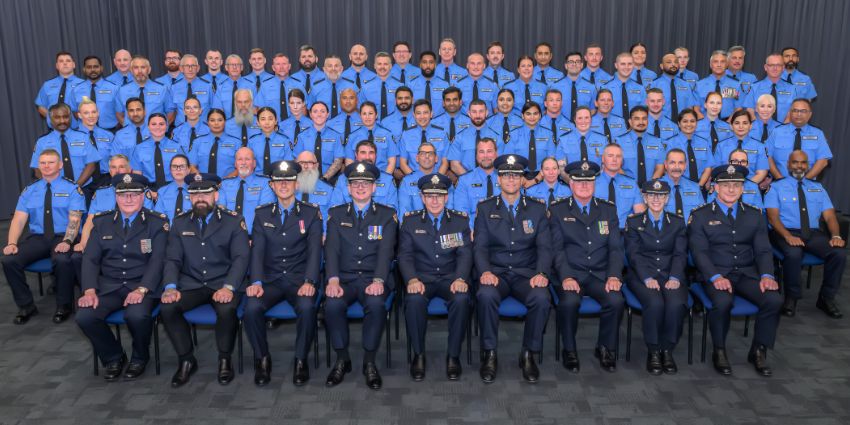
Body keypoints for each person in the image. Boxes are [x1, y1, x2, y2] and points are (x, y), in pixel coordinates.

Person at [688, 164, 781, 377]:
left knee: (773, 300)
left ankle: (759, 350)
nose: (731, 189)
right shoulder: (700, 216)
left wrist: (767, 275)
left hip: (747, 273)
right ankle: (719, 350)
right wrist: (715, 276)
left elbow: (763, 250)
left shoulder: (754, 215)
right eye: (726, 185)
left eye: (736, 185)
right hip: (716, 273)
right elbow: (699, 253)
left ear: (742, 189)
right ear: (715, 188)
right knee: (722, 302)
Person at [160, 173, 250, 387]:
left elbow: (241, 258)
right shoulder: (180, 222)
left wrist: (229, 287)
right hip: (191, 284)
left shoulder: (234, 220)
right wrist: (170, 287)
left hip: (223, 282)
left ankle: (225, 358)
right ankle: (186, 359)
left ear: (216, 195)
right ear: (189, 197)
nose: (200, 198)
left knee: (227, 309)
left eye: (205, 193)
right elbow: (172, 258)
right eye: (195, 193)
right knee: (168, 308)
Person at [76, 173, 168, 381]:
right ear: (116, 196)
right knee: (85, 316)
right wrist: (89, 290)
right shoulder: (102, 223)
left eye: (134, 194)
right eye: (124, 194)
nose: (129, 199)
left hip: (142, 284)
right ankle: (113, 357)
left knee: (136, 316)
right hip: (110, 286)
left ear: (143, 196)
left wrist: (142, 289)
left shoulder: (157, 223)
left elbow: (159, 260)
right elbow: (90, 259)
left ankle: (139, 357)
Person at [474, 154, 551, 383]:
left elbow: (545, 247)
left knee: (541, 297)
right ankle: (489, 353)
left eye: (515, 175)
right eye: (506, 175)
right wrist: (485, 272)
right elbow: (479, 247)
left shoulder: (537, 209)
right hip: (495, 273)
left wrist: (541, 273)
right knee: (485, 295)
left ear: (521, 180)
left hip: (525, 274)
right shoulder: (486, 208)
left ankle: (528, 353)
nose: (510, 179)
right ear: (499, 179)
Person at [245, 160, 323, 386]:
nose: (283, 185)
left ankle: (301, 360)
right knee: (251, 308)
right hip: (270, 280)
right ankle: (262, 359)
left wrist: (310, 281)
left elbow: (315, 251)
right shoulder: (261, 215)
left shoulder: (311, 213)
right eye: (278, 181)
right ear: (271, 185)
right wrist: (256, 281)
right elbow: (257, 252)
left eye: (288, 181)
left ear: (296, 184)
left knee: (308, 307)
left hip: (299, 279)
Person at [324, 161, 398, 390]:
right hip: (344, 279)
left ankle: (369, 361)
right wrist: (333, 279)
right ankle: (342, 358)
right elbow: (332, 250)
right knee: (332, 304)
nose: (360, 187)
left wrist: (378, 281)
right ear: (348, 188)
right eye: (355, 183)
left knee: (376, 304)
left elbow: (386, 253)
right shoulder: (335, 215)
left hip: (373, 278)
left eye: (365, 183)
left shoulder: (387, 215)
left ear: (374, 187)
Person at [549, 160, 624, 373]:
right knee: (569, 301)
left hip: (600, 274)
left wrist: (614, 276)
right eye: (579, 181)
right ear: (570, 183)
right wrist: (566, 277)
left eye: (588, 181)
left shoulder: (608, 210)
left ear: (594, 183)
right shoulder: (557, 209)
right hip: (571, 273)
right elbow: (557, 249)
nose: (584, 185)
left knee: (616, 300)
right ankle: (569, 349)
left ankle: (605, 347)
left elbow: (616, 248)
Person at [399, 173, 472, 381]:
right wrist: (412, 279)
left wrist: (460, 278)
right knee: (413, 301)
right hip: (422, 278)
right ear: (422, 198)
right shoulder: (411, 222)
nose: (434, 200)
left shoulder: (459, 221)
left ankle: (453, 355)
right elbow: (405, 255)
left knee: (461, 299)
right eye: (429, 195)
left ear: (446, 197)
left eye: (439, 196)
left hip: (451, 277)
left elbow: (465, 253)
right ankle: (419, 354)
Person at [2, 149, 85, 324]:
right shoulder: (29, 191)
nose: (46, 166)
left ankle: (64, 305)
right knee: (9, 260)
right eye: (43, 163)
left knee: (62, 260)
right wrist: (11, 243)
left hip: (63, 236)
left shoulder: (72, 189)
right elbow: (18, 220)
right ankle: (26, 305)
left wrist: (68, 241)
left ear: (60, 165)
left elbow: (75, 219)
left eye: (51, 162)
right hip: (39, 238)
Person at [765, 150, 844, 319]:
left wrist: (836, 236)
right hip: (784, 231)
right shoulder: (776, 187)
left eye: (802, 163)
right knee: (793, 253)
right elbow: (772, 217)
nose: (799, 166)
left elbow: (830, 216)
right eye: (795, 162)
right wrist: (787, 236)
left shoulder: (818, 188)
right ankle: (791, 298)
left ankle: (826, 298)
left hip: (813, 234)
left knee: (838, 254)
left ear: (807, 166)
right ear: (788, 164)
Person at [624, 179, 689, 375]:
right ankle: (653, 350)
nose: (656, 199)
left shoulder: (677, 222)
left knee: (676, 304)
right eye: (651, 195)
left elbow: (680, 253)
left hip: (671, 274)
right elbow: (633, 255)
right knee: (655, 304)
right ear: (644, 197)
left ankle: (667, 349)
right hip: (642, 276)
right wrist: (647, 278)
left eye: (661, 195)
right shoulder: (634, 222)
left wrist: (676, 277)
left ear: (667, 198)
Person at [30, 103, 100, 188]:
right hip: (54, 191)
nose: (62, 121)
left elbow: (91, 165)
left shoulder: (83, 137)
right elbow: (37, 170)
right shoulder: (42, 142)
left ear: (70, 118)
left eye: (65, 117)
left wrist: (76, 187)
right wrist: (53, 187)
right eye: (57, 118)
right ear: (50, 119)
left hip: (83, 188)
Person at [767, 98, 832, 180]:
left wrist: (805, 182)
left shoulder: (818, 134)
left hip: (808, 185)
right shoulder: (776, 132)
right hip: (780, 184)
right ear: (790, 113)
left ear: (810, 114)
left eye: (803, 111)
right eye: (795, 110)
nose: (799, 114)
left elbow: (823, 161)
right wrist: (780, 180)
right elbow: (767, 157)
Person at [217, 147, 274, 233]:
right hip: (229, 238)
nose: (243, 163)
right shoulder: (225, 185)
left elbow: (265, 215)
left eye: (247, 159)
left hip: (255, 237)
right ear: (235, 164)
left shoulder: (265, 183)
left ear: (254, 163)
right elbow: (220, 213)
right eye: (240, 159)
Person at [331, 140, 398, 209]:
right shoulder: (343, 179)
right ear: (356, 155)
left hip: (379, 219)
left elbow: (392, 210)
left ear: (376, 156)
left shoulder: (388, 180)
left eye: (371, 153)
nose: (367, 157)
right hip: (348, 219)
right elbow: (335, 208)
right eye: (363, 153)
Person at [129, 113, 188, 191]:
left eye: (161, 124)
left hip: (173, 188)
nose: (158, 127)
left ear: (167, 126)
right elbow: (137, 175)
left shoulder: (176, 147)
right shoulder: (139, 148)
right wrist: (147, 192)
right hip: (148, 189)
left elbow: (184, 172)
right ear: (148, 127)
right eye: (154, 124)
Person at [594, 144, 646, 228]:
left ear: (622, 160)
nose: (614, 159)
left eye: (618, 156)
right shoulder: (592, 183)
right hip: (598, 232)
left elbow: (640, 214)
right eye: (610, 156)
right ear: (603, 159)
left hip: (624, 233)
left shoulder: (631, 184)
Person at [452, 137, 500, 224]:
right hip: (475, 231)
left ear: (496, 154)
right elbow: (461, 213)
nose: (485, 156)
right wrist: (472, 231)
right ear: (476, 155)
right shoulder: (465, 180)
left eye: (489, 151)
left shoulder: (506, 178)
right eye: (481, 152)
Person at [614, 106, 665, 187]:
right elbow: (616, 166)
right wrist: (631, 185)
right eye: (637, 119)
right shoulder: (619, 142)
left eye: (644, 118)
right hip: (626, 188)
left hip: (651, 190)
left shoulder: (657, 142)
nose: (641, 122)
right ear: (630, 122)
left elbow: (660, 167)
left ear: (648, 121)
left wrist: (650, 185)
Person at [293, 102, 345, 181]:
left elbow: (338, 162)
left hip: (330, 181)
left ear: (328, 114)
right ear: (310, 114)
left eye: (322, 111)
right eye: (315, 111)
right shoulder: (301, 136)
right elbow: (296, 160)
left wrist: (324, 178)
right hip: (306, 180)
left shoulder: (336, 136)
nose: (319, 114)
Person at [714, 109, 769, 184]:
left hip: (750, 189)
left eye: (745, 123)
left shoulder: (759, 147)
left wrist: (744, 187)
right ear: (731, 126)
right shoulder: (721, 146)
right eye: (737, 123)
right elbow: (716, 172)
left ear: (750, 126)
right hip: (725, 188)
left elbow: (761, 173)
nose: (741, 126)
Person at [664, 108, 715, 188]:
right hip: (677, 186)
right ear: (679, 124)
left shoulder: (704, 142)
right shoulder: (670, 143)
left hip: (700, 186)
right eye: (685, 121)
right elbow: (667, 168)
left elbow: (708, 167)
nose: (689, 124)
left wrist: (699, 187)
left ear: (696, 123)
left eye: (692, 121)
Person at [398, 142, 450, 218]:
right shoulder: (407, 182)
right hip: (415, 227)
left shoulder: (445, 182)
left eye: (431, 153)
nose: (427, 156)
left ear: (436, 159)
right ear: (417, 158)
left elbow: (450, 210)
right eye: (422, 153)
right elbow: (404, 212)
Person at [447, 99, 499, 175]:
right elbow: (454, 165)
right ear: (469, 113)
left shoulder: (496, 136)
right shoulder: (459, 137)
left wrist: (488, 178)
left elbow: (500, 162)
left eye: (481, 111)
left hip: (491, 180)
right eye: (474, 112)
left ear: (487, 113)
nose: (478, 115)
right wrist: (470, 180)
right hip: (467, 180)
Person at [398, 100, 450, 175]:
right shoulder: (406, 135)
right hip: (413, 178)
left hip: (437, 179)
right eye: (418, 113)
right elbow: (403, 164)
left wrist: (436, 179)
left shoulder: (442, 133)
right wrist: (414, 179)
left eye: (425, 113)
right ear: (414, 115)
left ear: (431, 114)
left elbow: (445, 162)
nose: (422, 117)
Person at [742, 53, 798, 123]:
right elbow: (749, 110)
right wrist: (758, 128)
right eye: (771, 65)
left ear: (783, 68)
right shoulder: (754, 87)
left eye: (778, 65)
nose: (775, 68)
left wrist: (782, 130)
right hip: (759, 130)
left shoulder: (791, 89)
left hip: (783, 130)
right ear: (765, 67)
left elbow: (792, 112)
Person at [70, 55, 120, 132]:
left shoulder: (114, 88)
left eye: (96, 66)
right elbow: (74, 111)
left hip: (110, 132)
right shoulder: (76, 90)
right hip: (84, 133)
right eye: (89, 67)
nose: (93, 70)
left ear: (101, 68)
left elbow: (120, 112)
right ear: (84, 69)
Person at [345, 102, 397, 174]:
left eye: (370, 113)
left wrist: (386, 179)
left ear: (376, 115)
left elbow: (391, 162)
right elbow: (349, 162)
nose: (367, 117)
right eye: (364, 114)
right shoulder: (352, 136)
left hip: (382, 176)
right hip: (359, 176)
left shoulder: (387, 134)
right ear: (360, 116)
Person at [115, 56, 171, 123]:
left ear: (149, 70)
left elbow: (171, 112)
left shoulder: (162, 89)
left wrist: (162, 128)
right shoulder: (122, 90)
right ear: (131, 70)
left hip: (155, 132)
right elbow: (119, 113)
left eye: (143, 67)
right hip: (132, 132)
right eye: (136, 68)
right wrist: (128, 128)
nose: (140, 71)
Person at [506, 101, 555, 176]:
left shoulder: (548, 134)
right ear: (522, 116)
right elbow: (509, 160)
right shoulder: (513, 134)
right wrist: (521, 178)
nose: (532, 117)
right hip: (518, 176)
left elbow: (551, 160)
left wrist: (537, 179)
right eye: (528, 114)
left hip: (543, 176)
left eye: (535, 113)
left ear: (540, 116)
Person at [189, 108, 241, 178]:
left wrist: (225, 181)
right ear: (207, 122)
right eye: (212, 120)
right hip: (202, 185)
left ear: (225, 122)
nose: (216, 123)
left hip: (229, 185)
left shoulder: (236, 142)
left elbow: (241, 167)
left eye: (220, 120)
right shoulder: (198, 142)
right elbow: (191, 166)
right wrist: (202, 180)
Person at [649, 53, 700, 122]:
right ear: (661, 66)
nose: (673, 64)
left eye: (676, 62)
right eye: (669, 62)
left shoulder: (686, 85)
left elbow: (689, 109)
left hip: (682, 128)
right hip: (661, 127)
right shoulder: (654, 85)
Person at [35, 52, 84, 122]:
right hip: (54, 130)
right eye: (61, 61)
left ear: (74, 65)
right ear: (57, 66)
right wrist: (52, 119)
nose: (65, 63)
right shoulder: (47, 85)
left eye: (68, 61)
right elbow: (41, 106)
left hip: (78, 129)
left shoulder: (84, 84)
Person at [660, 149, 705, 221]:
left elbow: (703, 215)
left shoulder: (695, 188)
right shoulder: (656, 189)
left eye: (680, 163)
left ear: (685, 165)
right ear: (665, 164)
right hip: (665, 231)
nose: (676, 167)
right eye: (672, 162)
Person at [695, 50, 742, 120]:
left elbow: (738, 108)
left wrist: (728, 124)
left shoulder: (735, 85)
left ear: (727, 65)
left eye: (722, 62)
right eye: (715, 61)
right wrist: (706, 123)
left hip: (728, 124)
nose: (719, 65)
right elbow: (696, 110)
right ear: (711, 64)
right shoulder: (699, 85)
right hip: (705, 124)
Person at [550, 52, 597, 121]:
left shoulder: (591, 87)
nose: (574, 64)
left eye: (577, 62)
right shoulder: (555, 86)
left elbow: (593, 109)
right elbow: (550, 109)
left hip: (583, 128)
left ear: (581, 65)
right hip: (561, 128)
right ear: (566, 65)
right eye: (571, 62)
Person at [247, 106, 293, 177]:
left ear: (276, 121)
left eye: (270, 119)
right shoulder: (252, 142)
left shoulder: (285, 140)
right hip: (257, 180)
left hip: (279, 179)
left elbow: (289, 164)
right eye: (263, 119)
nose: (267, 122)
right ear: (258, 123)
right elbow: (248, 165)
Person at [257, 53, 305, 121]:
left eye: (284, 64)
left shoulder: (298, 84)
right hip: (272, 127)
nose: (281, 67)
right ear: (273, 67)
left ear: (289, 66)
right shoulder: (265, 85)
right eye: (278, 64)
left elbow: (304, 109)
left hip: (294, 127)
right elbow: (260, 110)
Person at [169, 54, 212, 127]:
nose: (190, 69)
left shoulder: (208, 86)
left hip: (203, 131)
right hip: (180, 131)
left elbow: (215, 110)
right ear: (181, 68)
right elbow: (170, 112)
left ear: (198, 68)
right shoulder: (174, 87)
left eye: (193, 66)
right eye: (187, 66)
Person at [602, 52, 646, 122]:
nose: (626, 67)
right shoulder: (605, 88)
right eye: (623, 64)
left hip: (635, 130)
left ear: (633, 65)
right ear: (616, 65)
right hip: (613, 130)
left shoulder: (640, 88)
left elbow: (644, 113)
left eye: (630, 64)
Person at [359, 52, 402, 120]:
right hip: (373, 127)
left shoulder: (400, 86)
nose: (382, 67)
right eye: (379, 64)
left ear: (390, 66)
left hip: (394, 127)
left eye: (385, 64)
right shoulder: (365, 87)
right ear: (374, 66)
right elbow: (360, 110)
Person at [152, 155, 193, 223]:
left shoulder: (195, 191)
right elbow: (158, 219)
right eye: (174, 166)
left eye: (182, 166)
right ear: (170, 170)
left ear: (188, 169)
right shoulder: (163, 192)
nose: (178, 169)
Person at [411, 51, 451, 117]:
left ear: (435, 65)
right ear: (420, 65)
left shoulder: (445, 85)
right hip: (418, 123)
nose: (428, 65)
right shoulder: (411, 85)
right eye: (424, 62)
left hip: (439, 123)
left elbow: (448, 107)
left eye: (431, 62)